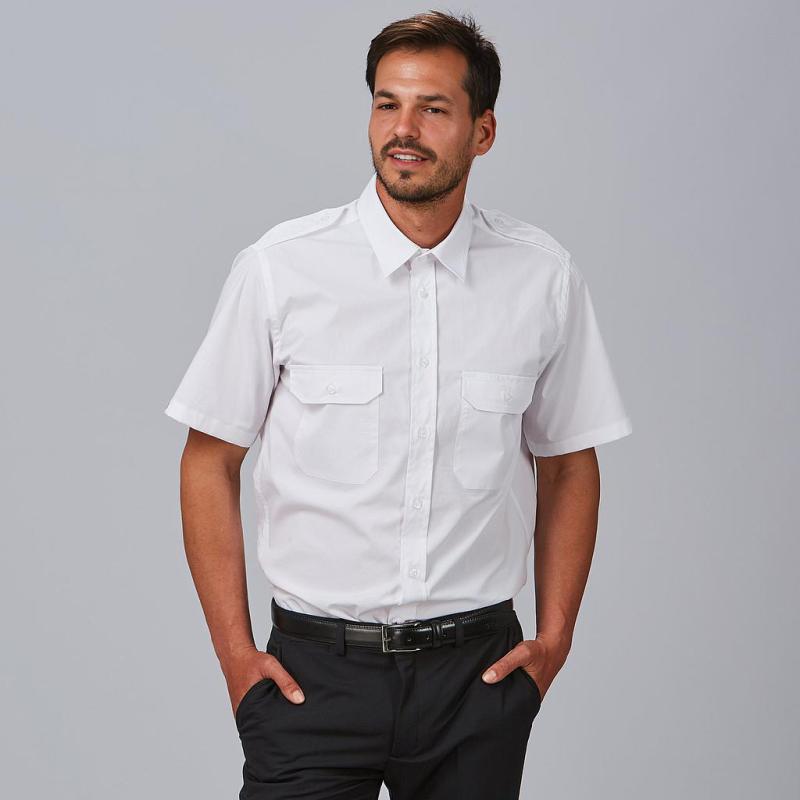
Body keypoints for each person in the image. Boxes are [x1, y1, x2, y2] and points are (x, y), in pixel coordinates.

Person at [164, 10, 632, 799]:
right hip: (313, 678)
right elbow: (209, 460)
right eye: (387, 104)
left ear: (483, 132)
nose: (403, 130)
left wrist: (554, 641)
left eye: (433, 108)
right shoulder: (281, 269)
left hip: (476, 681)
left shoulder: (541, 279)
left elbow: (569, 463)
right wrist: (236, 659)